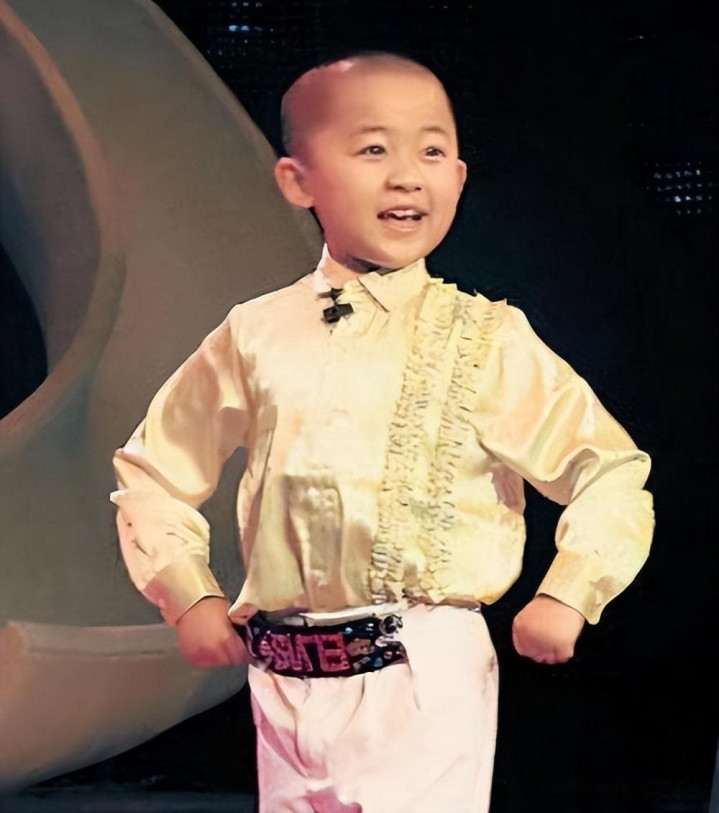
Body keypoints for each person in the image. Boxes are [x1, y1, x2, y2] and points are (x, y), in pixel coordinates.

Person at [111, 52, 654, 813]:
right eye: (373, 149)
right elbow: (154, 470)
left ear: (458, 177)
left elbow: (608, 469)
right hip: (283, 674)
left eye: (430, 151)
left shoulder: (483, 338)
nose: (406, 177)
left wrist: (571, 590)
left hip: (419, 670)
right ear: (297, 181)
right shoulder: (255, 334)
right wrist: (187, 592)